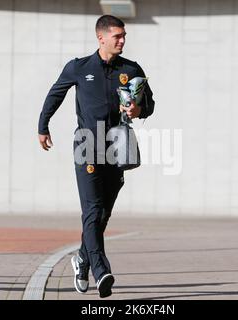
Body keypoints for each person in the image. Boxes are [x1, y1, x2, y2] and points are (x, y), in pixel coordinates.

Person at [37, 15, 155, 298]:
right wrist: (43, 126)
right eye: (117, 36)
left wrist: (139, 111)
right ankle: (101, 271)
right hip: (86, 145)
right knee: (91, 211)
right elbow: (55, 95)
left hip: (118, 146)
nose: (122, 40)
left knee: (102, 214)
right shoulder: (79, 67)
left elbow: (149, 102)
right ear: (101, 38)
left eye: (124, 35)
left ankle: (81, 258)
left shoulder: (131, 68)